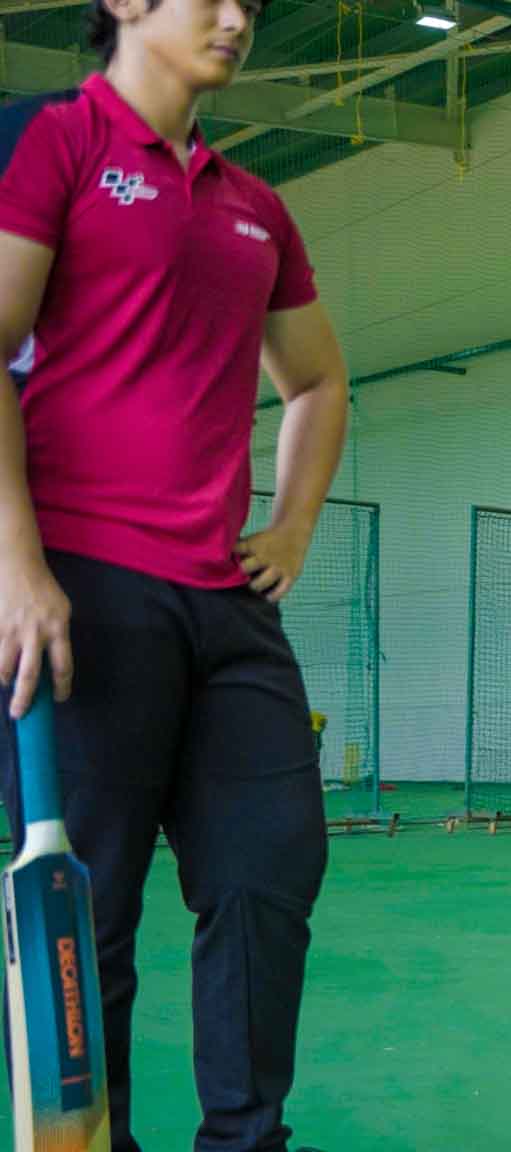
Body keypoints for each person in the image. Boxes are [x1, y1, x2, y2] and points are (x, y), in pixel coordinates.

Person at [0, 1, 350, 1147]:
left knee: (271, 865)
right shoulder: (59, 141)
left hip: (225, 598)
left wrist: (291, 526)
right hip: (82, 585)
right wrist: (18, 563)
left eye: (252, 1)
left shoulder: (256, 206)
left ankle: (245, 1141)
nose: (238, 18)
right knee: (84, 915)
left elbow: (316, 383)